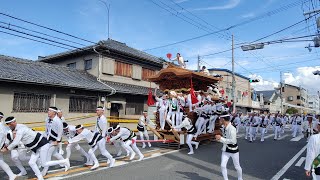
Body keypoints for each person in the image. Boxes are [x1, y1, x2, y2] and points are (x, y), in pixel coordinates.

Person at [2, 116, 70, 180]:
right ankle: (40, 178)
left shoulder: (21, 129)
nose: (9, 126)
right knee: (31, 162)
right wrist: (6, 145)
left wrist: (7, 148)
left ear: (14, 122)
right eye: (7, 125)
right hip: (35, 147)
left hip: (42, 145)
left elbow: (16, 142)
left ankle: (64, 161)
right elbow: (10, 137)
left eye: (9, 124)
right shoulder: (12, 130)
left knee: (44, 163)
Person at [215, 112, 243, 180]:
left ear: (223, 119)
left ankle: (240, 178)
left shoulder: (232, 128)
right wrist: (219, 139)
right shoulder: (223, 127)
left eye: (220, 119)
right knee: (222, 165)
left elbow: (233, 141)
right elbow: (225, 138)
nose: (219, 120)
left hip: (233, 150)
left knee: (237, 166)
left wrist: (221, 138)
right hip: (225, 149)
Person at [42, 107, 65, 176]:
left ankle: (44, 171)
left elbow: (60, 132)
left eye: (50, 111)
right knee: (55, 153)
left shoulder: (58, 121)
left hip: (54, 140)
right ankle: (64, 162)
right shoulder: (47, 119)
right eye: (48, 110)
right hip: (48, 139)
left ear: (54, 113)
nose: (48, 112)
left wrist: (57, 141)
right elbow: (46, 130)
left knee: (48, 154)